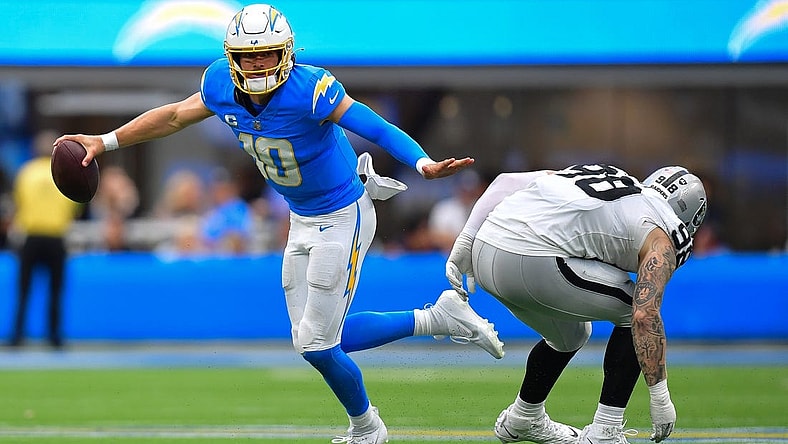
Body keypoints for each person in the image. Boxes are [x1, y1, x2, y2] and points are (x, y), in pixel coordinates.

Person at [55, 4, 501, 443]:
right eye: (248, 56)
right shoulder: (220, 84)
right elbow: (173, 115)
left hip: (343, 212)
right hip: (302, 216)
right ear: (232, 58)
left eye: (265, 53)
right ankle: (440, 317)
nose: (257, 63)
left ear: (285, 52)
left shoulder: (310, 88)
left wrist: (420, 162)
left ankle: (368, 428)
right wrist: (105, 141)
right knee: (318, 339)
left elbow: (376, 126)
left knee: (316, 345)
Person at [444, 164, 707, 444]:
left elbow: (504, 180)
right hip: (532, 256)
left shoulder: (608, 175)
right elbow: (644, 315)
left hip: (485, 246)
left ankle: (524, 417)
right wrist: (660, 396)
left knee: (572, 333)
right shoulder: (666, 231)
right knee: (633, 311)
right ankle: (606, 431)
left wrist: (466, 238)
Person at [9, 130, 81, 348]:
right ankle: (55, 336)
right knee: (56, 290)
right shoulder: (65, 173)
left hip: (31, 237)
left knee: (24, 289)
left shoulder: (26, 173)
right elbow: (75, 205)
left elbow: (18, 204)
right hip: (56, 237)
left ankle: (18, 335)